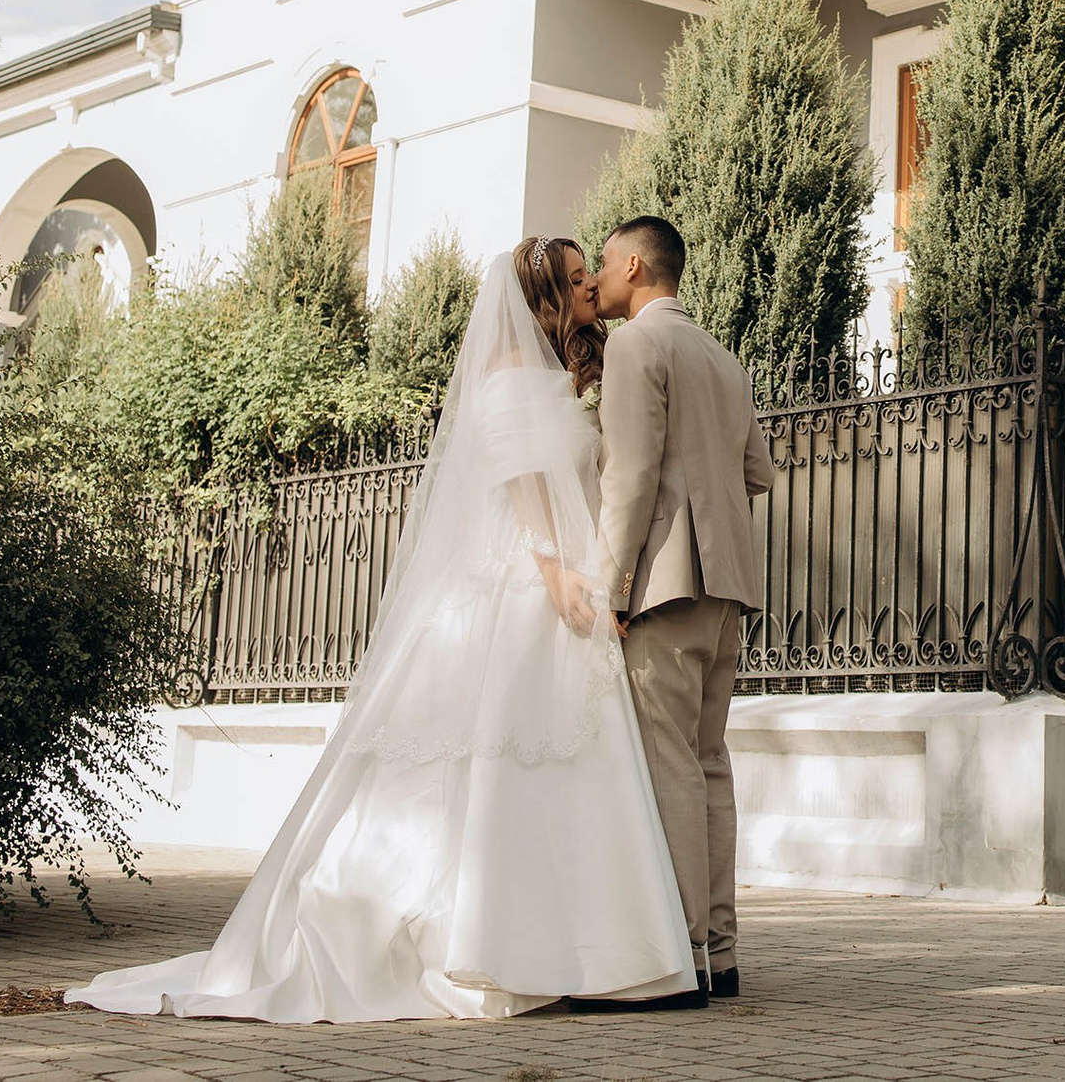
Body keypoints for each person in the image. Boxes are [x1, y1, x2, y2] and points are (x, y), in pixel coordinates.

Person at [67, 237, 698, 1022]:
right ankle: (490, 943)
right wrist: (549, 569)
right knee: (496, 759)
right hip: (520, 588)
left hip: (560, 589)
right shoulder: (506, 380)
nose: (585, 293)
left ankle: (593, 953)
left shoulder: (552, 379)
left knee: (556, 763)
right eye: (572, 283)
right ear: (538, 296)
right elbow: (521, 482)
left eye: (585, 280)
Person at [591, 215, 775, 1003]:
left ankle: (682, 950)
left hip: (664, 590)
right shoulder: (724, 358)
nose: (595, 279)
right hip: (729, 589)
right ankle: (724, 952)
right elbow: (759, 473)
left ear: (635, 265)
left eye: (602, 264)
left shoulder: (635, 345)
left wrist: (607, 589)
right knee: (709, 765)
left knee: (669, 764)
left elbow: (629, 478)